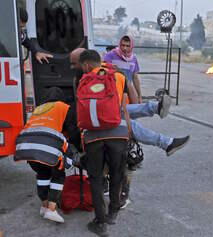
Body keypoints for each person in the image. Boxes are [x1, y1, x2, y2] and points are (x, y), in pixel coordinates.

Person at [70, 48, 190, 156]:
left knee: (123, 113)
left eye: (74, 64)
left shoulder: (96, 75)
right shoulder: (83, 80)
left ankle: (156, 109)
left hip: (99, 119)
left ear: (85, 64)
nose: (72, 67)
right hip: (91, 125)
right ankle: (165, 140)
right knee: (130, 124)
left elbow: (127, 88)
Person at [78, 50, 130, 236]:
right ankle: (113, 211)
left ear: (86, 65)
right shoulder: (117, 76)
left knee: (96, 178)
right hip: (118, 133)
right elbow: (125, 105)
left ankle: (101, 222)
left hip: (94, 137)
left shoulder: (83, 80)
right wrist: (128, 135)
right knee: (116, 173)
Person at [14, 87, 80, 223]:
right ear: (61, 97)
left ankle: (44, 207)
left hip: (26, 144)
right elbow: (72, 130)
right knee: (58, 173)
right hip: (46, 142)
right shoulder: (64, 107)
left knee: (43, 174)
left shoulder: (39, 108)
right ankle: (51, 209)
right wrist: (78, 147)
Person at [104, 35, 142, 103]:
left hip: (128, 91)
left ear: (131, 47)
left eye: (127, 46)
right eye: (123, 45)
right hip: (113, 90)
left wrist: (139, 95)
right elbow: (103, 69)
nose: (124, 48)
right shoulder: (111, 55)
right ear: (119, 45)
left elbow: (135, 77)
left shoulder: (134, 59)